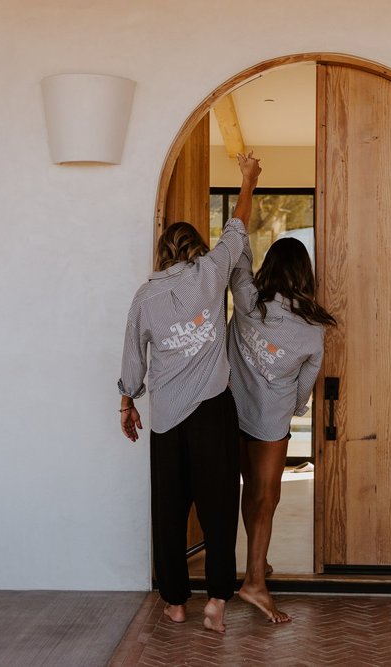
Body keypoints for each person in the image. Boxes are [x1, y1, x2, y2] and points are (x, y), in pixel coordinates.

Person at [118, 152, 262, 633]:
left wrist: (127, 400)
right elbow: (238, 227)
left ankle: (176, 602)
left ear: (162, 252)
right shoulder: (210, 273)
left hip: (166, 420)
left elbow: (133, 358)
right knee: (219, 508)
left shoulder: (145, 296)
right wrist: (248, 179)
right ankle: (216, 603)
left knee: (169, 511)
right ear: (196, 248)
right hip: (212, 412)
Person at [227, 236, 336, 623]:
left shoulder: (246, 302)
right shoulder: (312, 328)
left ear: (270, 267)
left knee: (250, 490)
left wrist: (244, 201)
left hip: (232, 411)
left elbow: (237, 262)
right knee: (267, 499)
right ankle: (255, 581)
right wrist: (295, 406)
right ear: (304, 273)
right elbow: (307, 381)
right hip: (271, 421)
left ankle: (258, 565)